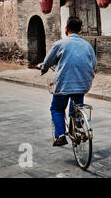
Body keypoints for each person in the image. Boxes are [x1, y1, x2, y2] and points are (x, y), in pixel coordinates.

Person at [39, 16, 97, 146]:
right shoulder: (88, 46)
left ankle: (60, 135)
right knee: (77, 104)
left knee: (57, 109)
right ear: (80, 30)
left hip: (64, 84)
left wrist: (43, 68)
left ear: (66, 29)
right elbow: (94, 65)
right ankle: (77, 123)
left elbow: (48, 61)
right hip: (83, 83)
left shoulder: (60, 44)